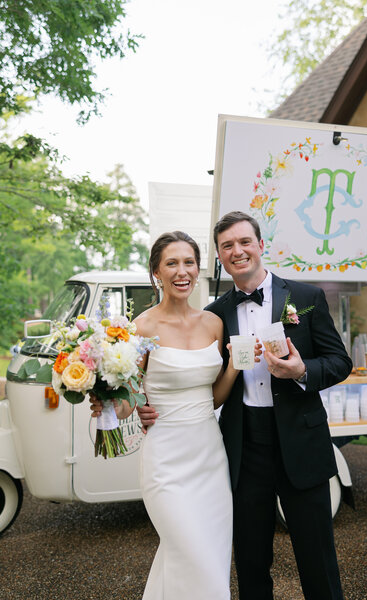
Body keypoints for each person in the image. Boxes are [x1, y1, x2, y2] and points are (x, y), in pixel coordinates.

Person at [138, 211, 353, 600]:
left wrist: (302, 369)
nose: (237, 251)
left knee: (317, 558)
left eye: (244, 242)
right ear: (220, 257)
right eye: (227, 246)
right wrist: (140, 404)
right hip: (241, 446)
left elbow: (340, 362)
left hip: (299, 442)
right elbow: (194, 380)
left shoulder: (305, 298)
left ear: (260, 245)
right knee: (251, 563)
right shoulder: (216, 314)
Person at [91, 230, 260, 600]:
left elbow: (213, 398)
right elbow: (126, 400)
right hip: (165, 460)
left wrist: (233, 367)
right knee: (190, 553)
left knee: (207, 559)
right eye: (172, 263)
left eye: (189, 262)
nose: (181, 271)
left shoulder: (213, 324)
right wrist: (105, 400)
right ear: (156, 272)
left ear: (198, 269)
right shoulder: (140, 329)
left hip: (209, 458)